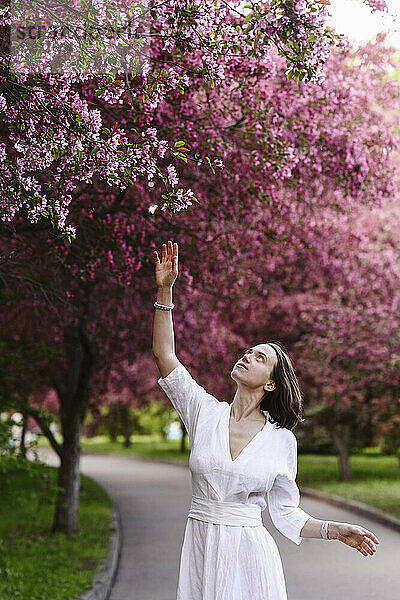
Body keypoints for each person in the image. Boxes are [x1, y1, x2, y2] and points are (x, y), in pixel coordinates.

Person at [152, 240, 380, 600]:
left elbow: (287, 513)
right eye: (247, 351)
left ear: (271, 383)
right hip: (201, 546)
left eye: (259, 357)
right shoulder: (204, 413)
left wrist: (334, 530)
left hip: (251, 558)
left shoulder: (281, 440)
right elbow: (165, 354)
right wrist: (165, 290)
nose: (247, 356)